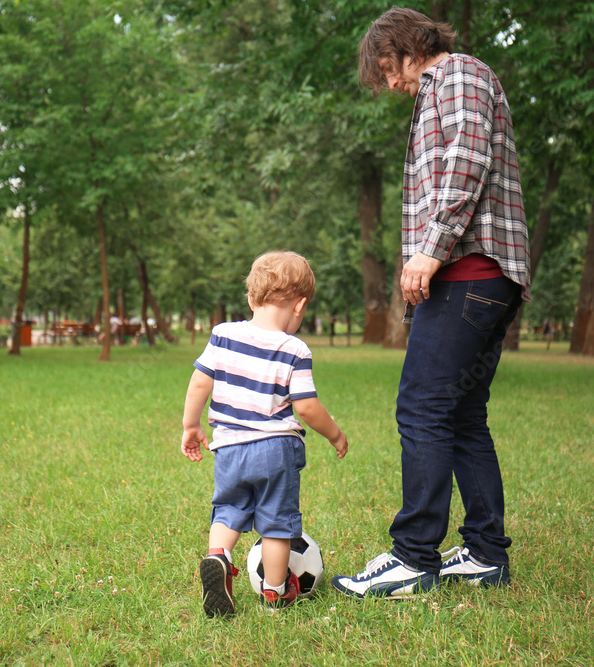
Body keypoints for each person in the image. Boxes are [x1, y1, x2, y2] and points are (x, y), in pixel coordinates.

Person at [332, 8, 530, 599]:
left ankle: (414, 557)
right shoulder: (436, 93)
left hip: (470, 272)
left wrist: (430, 249)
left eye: (388, 68)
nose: (390, 83)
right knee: (463, 414)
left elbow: (465, 167)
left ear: (407, 46)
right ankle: (486, 553)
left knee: (420, 407)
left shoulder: (460, 74)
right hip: (475, 276)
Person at [181, 251, 348, 617]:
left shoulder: (223, 334)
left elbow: (198, 383)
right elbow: (306, 407)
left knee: (227, 509)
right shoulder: (294, 349)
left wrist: (191, 425)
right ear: (300, 305)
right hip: (276, 449)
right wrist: (335, 434)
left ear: (251, 297)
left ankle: (218, 557)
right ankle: (275, 593)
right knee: (276, 523)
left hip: (228, 448)